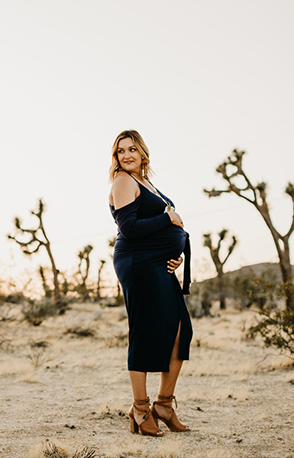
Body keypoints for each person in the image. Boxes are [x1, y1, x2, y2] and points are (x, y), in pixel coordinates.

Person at [108, 130, 193, 437]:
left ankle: (164, 405)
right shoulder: (123, 181)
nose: (127, 155)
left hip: (157, 263)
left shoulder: (146, 183)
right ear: (116, 158)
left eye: (132, 149)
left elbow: (156, 228)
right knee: (144, 332)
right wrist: (169, 220)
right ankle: (140, 410)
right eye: (120, 151)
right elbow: (128, 228)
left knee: (181, 328)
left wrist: (174, 253)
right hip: (136, 262)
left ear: (143, 153)